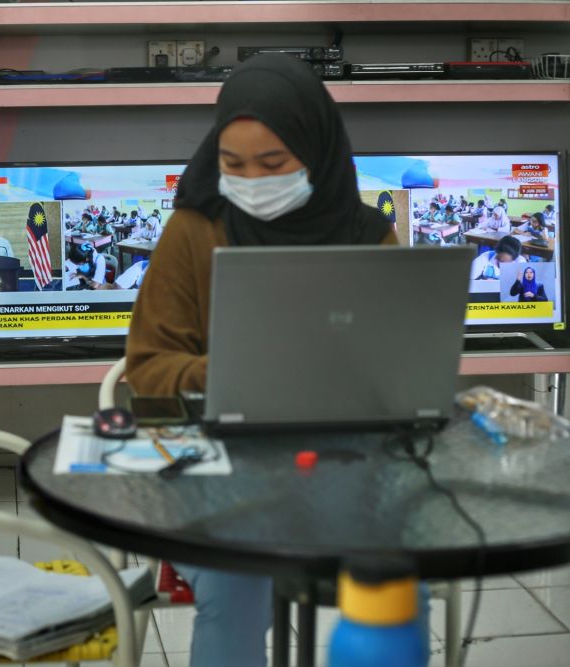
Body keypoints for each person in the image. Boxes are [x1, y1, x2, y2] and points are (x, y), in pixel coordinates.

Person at [125, 54, 410, 667]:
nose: (252, 179)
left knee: (399, 574)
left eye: (274, 164)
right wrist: (242, 372)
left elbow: (395, 366)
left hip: (339, 459)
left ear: (318, 152)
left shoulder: (368, 238)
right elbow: (148, 368)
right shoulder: (194, 230)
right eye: (233, 165)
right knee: (235, 582)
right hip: (214, 462)